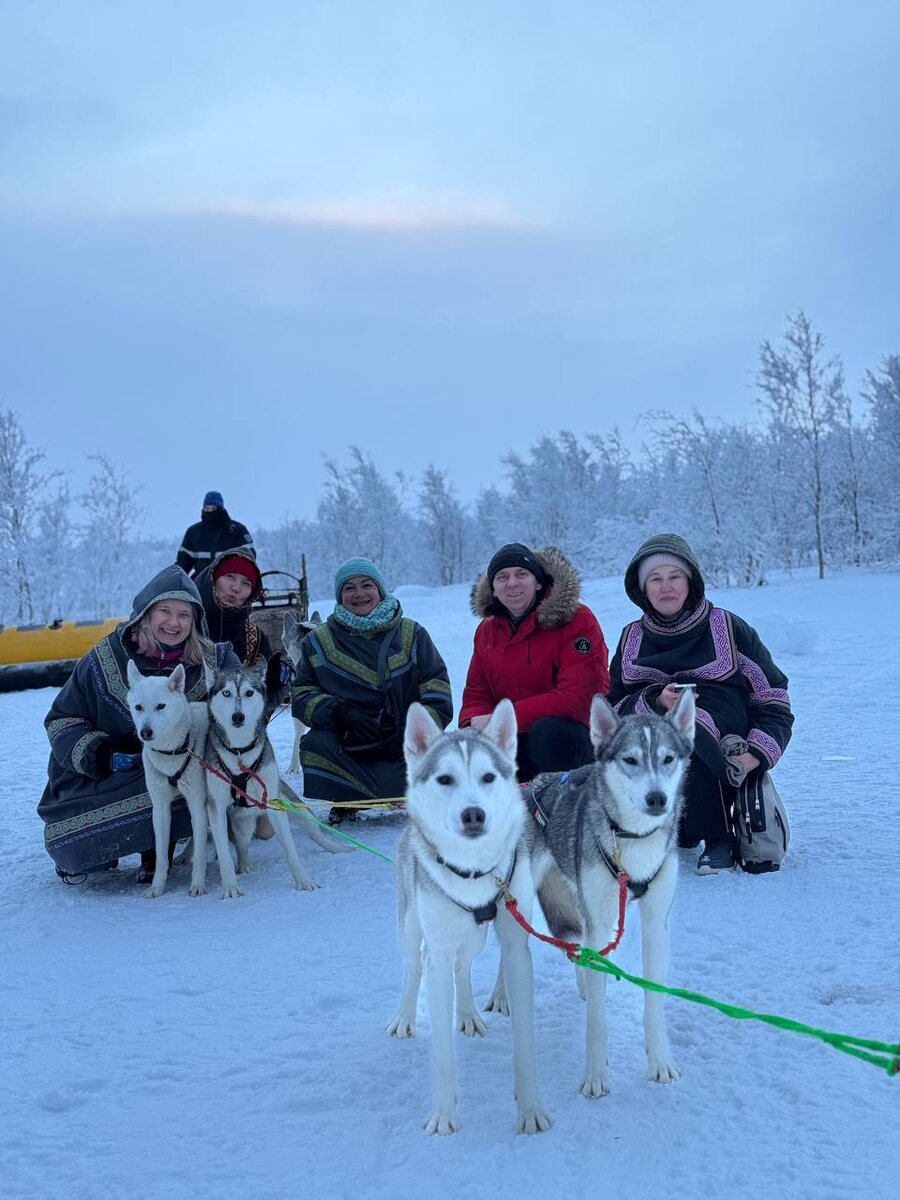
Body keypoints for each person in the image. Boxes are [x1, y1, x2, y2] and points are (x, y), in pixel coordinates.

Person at [607, 533, 794, 875]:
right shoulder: (631, 637)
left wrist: (757, 753)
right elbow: (612, 705)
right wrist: (653, 699)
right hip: (651, 733)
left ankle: (719, 837)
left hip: (721, 734)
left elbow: (772, 696)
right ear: (642, 588)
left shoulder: (728, 627)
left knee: (690, 727)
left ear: (691, 581)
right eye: (655, 579)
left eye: (675, 576)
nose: (666, 587)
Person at [38, 564, 238, 883]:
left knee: (188, 784)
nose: (174, 622)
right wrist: (99, 755)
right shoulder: (103, 660)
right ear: (145, 612)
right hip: (108, 777)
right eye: (165, 611)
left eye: (184, 615)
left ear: (196, 620)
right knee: (75, 850)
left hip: (181, 768)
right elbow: (62, 719)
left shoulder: (213, 662)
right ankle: (102, 852)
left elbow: (245, 708)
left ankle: (158, 850)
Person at [291, 556, 453, 824]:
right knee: (316, 744)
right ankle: (346, 798)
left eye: (367, 585)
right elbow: (302, 694)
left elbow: (437, 688)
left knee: (442, 755)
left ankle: (411, 791)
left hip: (403, 744)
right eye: (349, 588)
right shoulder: (318, 641)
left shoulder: (412, 633)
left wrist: (411, 732)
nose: (359, 594)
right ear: (339, 595)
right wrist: (341, 713)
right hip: (349, 742)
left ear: (380, 589)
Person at [458, 543, 610, 782]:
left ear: (539, 582)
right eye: (502, 577)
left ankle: (562, 805)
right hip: (511, 737)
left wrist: (503, 718)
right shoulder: (487, 631)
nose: (512, 583)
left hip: (570, 740)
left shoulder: (577, 620)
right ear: (493, 589)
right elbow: (477, 692)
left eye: (522, 574)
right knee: (469, 748)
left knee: (546, 733)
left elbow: (579, 699)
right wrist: (472, 722)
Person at [194, 549, 272, 666]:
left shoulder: (255, 639)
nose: (236, 588)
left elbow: (272, 680)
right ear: (213, 579)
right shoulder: (184, 627)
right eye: (230, 577)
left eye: (246, 583)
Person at [176, 491, 254, 578]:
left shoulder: (237, 531)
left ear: (221, 508)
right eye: (207, 508)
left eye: (213, 508)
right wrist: (177, 580)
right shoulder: (194, 532)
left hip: (230, 582)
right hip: (201, 582)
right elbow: (183, 563)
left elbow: (249, 557)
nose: (210, 512)